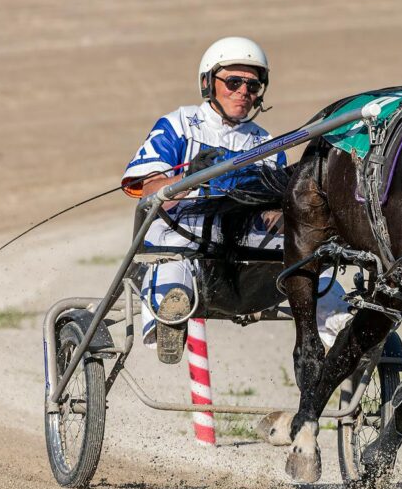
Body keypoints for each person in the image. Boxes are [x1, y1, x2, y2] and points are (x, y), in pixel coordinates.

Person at [122, 37, 349, 364]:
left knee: (312, 265)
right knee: (174, 263)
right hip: (185, 237)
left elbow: (281, 212)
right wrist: (184, 180)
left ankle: (343, 331)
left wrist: (280, 213)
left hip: (247, 255)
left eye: (252, 85)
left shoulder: (267, 143)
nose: (243, 91)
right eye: (233, 82)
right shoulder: (179, 125)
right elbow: (147, 190)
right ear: (207, 83)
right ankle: (170, 314)